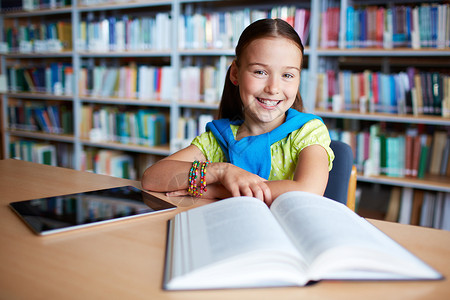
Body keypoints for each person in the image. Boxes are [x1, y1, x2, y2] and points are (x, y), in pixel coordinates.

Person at [142, 18, 334, 206]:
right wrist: (221, 172)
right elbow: (152, 178)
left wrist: (218, 190)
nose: (273, 88)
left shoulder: (307, 132)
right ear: (235, 73)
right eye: (260, 72)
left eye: (287, 75)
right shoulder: (217, 140)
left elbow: (308, 191)